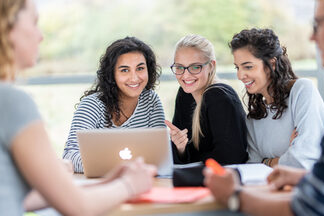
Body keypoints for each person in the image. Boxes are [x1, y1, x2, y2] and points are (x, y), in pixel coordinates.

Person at [204, 0, 324, 215]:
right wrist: (303, 176)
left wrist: (233, 196)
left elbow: (310, 207)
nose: (312, 37)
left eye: (318, 24)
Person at [0, 0, 156, 215]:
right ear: (7, 28)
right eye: (34, 23)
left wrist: (108, 182)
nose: (41, 36)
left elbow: (25, 199)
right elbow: (78, 207)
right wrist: (129, 184)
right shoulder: (11, 101)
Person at [63, 36, 166, 173]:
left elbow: (160, 155)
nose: (134, 78)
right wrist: (119, 168)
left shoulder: (151, 101)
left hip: (141, 184)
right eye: (124, 70)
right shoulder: (92, 106)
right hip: (101, 187)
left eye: (140, 68)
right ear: (112, 74)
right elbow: (70, 156)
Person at [230, 28, 324, 169]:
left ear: (272, 64)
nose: (240, 75)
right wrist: (288, 155)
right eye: (237, 68)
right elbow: (253, 168)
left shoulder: (302, 91)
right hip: (269, 188)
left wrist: (267, 162)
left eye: (248, 67)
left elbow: (303, 160)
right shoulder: (254, 118)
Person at [165, 34, 248, 164]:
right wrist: (180, 148)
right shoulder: (185, 94)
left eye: (195, 67)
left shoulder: (218, 96)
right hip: (201, 177)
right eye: (180, 67)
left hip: (225, 178)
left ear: (211, 66)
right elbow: (183, 154)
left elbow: (230, 157)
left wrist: (188, 162)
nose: (186, 75)